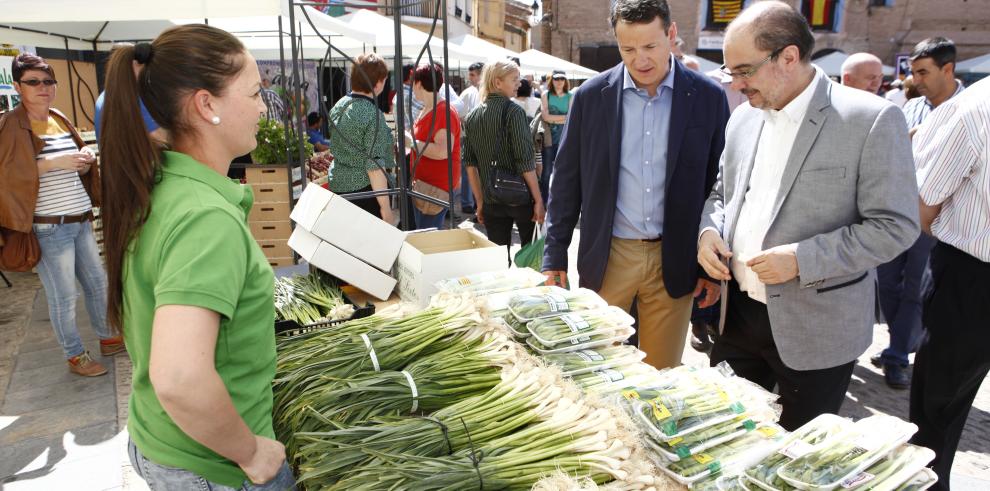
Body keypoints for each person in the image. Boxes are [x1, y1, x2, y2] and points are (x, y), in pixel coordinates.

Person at [697, 1, 919, 430]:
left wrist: (802, 259)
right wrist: (709, 231)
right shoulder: (742, 118)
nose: (736, 83)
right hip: (737, 317)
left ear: (789, 57)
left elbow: (896, 226)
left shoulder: (870, 119)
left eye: (744, 70)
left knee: (798, 456)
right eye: (731, 71)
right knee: (725, 438)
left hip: (817, 330)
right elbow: (722, 194)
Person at [99, 26, 294, 489]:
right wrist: (252, 453)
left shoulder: (163, 186)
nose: (263, 106)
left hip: (161, 439)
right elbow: (180, 377)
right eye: (254, 92)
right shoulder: (205, 218)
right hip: (211, 466)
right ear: (207, 105)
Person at [543, 0, 728, 370]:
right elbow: (566, 181)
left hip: (674, 259)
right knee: (600, 366)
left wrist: (711, 268)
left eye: (650, 47)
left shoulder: (708, 98)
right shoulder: (589, 98)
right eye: (628, 49)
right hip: (609, 256)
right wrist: (555, 254)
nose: (640, 59)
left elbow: (719, 186)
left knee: (662, 375)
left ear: (671, 34)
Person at [0, 53, 123, 378]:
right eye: (34, 82)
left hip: (79, 217)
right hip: (47, 226)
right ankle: (74, 354)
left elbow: (68, 162)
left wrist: (83, 156)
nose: (44, 88)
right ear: (17, 86)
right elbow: (9, 174)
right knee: (63, 295)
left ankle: (108, 337)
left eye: (48, 81)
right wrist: (57, 163)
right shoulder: (11, 124)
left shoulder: (57, 117)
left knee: (98, 283)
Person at [909, 76, 990, 491]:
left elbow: (923, 204)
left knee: (936, 411)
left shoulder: (974, 107)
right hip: (971, 275)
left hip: (971, 277)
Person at [871, 37, 964, 390]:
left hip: (937, 217)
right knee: (886, 283)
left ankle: (897, 356)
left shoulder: (971, 110)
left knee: (914, 287)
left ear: (948, 69)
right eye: (913, 72)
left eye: (923, 72)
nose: (916, 79)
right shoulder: (910, 108)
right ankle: (904, 340)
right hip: (895, 211)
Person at [462, 60, 544, 259]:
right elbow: (525, 161)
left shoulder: (472, 116)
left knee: (498, 262)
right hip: (521, 197)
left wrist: (479, 201)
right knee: (531, 259)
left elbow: (470, 165)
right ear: (498, 83)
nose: (519, 83)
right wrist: (539, 199)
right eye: (514, 79)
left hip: (491, 198)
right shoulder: (514, 111)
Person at [328, 53, 396, 224]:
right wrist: (385, 208)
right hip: (364, 193)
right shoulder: (373, 115)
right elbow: (374, 167)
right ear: (379, 82)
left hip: (337, 187)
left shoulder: (338, 106)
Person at [406, 63, 461, 230]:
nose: (411, 87)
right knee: (423, 235)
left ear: (419, 83)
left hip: (435, 189)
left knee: (427, 238)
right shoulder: (427, 108)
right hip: (424, 186)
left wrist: (411, 143)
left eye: (412, 82)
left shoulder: (444, 112)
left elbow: (442, 151)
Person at [539, 70, 572, 205]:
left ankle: (560, 202)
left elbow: (571, 118)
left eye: (562, 79)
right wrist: (563, 118)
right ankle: (544, 202)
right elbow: (545, 117)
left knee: (563, 173)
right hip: (548, 139)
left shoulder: (571, 96)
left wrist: (554, 119)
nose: (559, 82)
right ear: (552, 80)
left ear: (565, 81)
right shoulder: (546, 95)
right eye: (556, 79)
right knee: (546, 174)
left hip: (565, 139)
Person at [458, 62, 485, 215]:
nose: (470, 78)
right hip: (468, 137)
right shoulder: (468, 92)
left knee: (481, 171)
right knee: (468, 170)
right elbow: (457, 111)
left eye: (473, 74)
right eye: (470, 74)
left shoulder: (488, 91)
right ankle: (467, 202)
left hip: (483, 138)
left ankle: (477, 202)